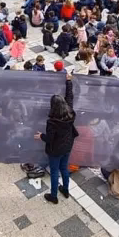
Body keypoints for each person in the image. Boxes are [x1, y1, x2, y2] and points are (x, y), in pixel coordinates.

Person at [34, 72, 77, 205]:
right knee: (64, 169)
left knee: (54, 172)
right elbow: (70, 97)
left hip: (55, 150)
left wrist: (41, 136)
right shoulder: (70, 112)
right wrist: (69, 81)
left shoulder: (52, 122)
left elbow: (50, 139)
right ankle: (65, 189)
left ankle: (53, 196)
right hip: (68, 146)